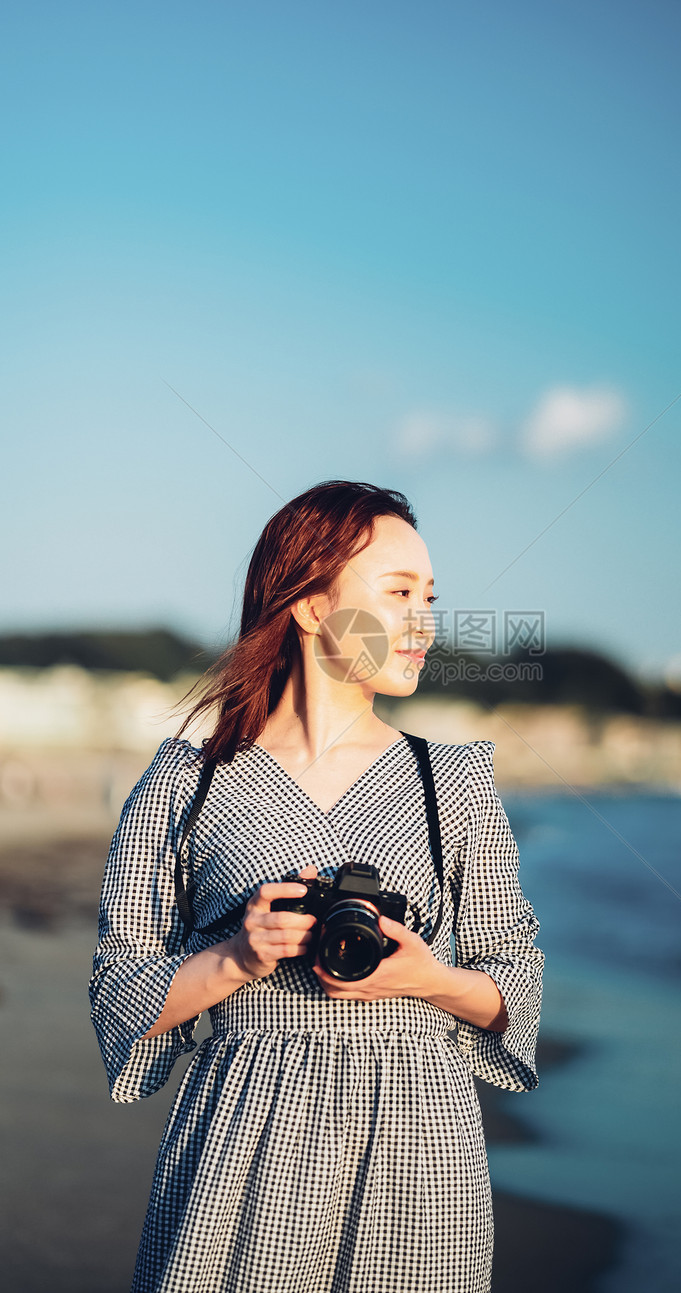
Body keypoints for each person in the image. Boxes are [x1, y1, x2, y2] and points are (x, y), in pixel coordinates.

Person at [90, 479, 543, 1293]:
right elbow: (118, 994)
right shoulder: (185, 783)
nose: (423, 623)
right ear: (308, 605)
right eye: (398, 592)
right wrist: (236, 955)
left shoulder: (455, 783)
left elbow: (518, 986)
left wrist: (426, 977)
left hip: (421, 1146)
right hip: (241, 1144)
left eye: (430, 597)